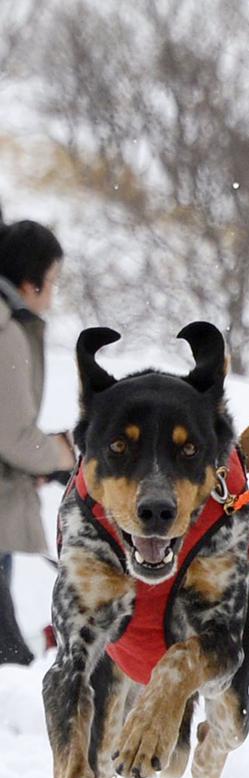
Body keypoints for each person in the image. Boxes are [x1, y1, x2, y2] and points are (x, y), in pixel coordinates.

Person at [0, 216, 75, 665]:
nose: (52, 293)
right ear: (29, 283)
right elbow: (12, 435)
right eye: (52, 282)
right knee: (7, 653)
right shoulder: (5, 330)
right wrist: (61, 454)